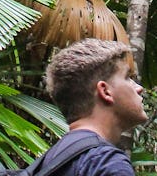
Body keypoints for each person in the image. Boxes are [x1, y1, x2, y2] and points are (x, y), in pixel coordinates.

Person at [41, 38, 147, 176]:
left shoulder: (51, 160)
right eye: (127, 77)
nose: (139, 88)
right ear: (105, 91)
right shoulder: (106, 163)